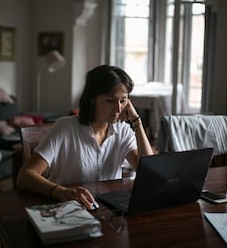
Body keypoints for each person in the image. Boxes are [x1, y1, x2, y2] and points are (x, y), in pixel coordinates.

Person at [16, 65, 154, 210]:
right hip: (67, 209)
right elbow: (25, 176)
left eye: (123, 101)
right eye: (110, 100)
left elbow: (147, 171)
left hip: (107, 210)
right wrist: (59, 191)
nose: (118, 109)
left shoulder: (123, 131)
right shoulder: (65, 128)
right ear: (92, 99)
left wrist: (136, 121)